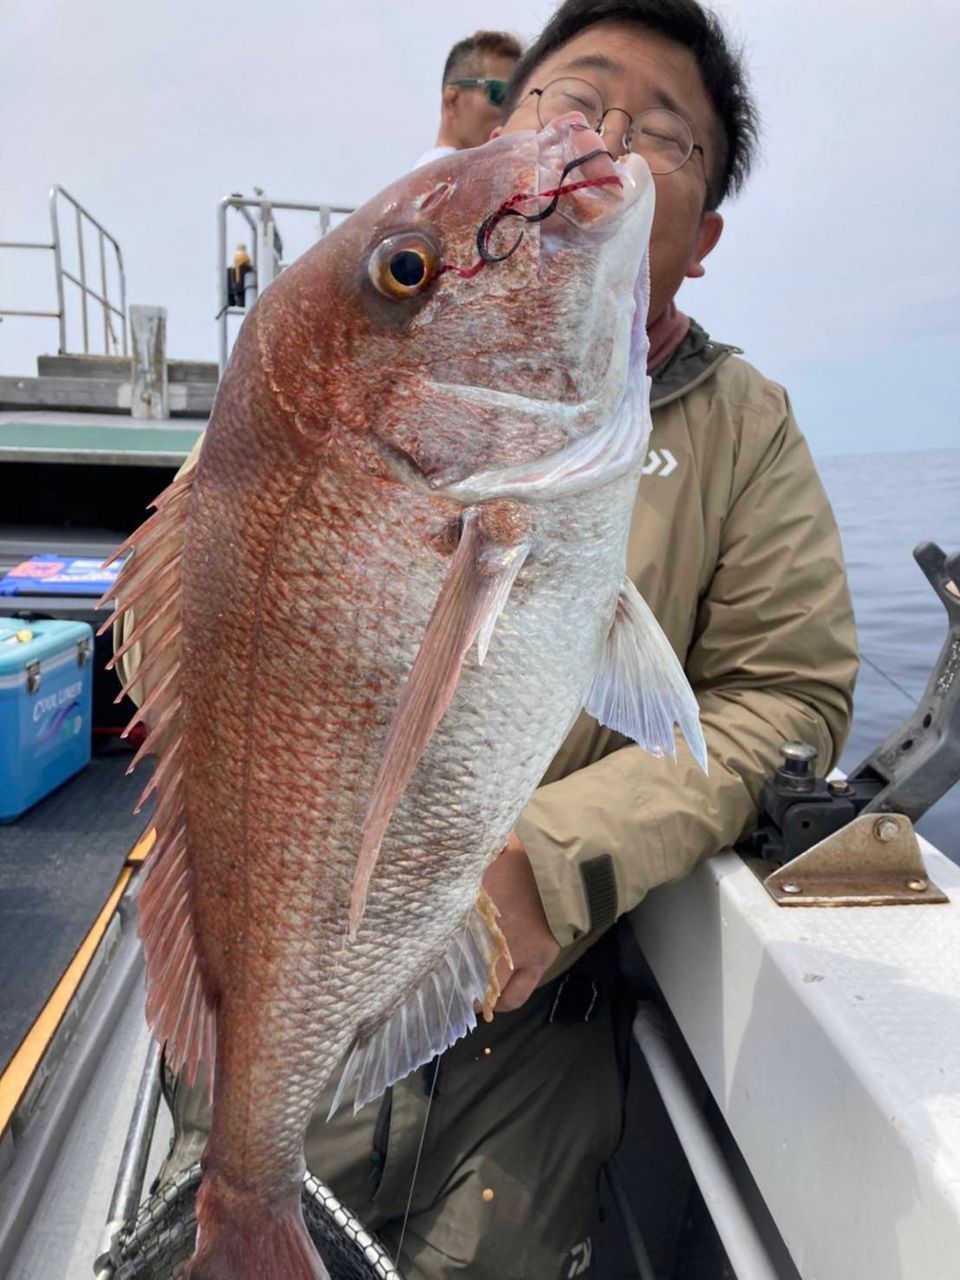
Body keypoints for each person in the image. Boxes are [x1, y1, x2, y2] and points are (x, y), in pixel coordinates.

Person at [155, 2, 859, 1276]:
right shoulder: (331, 374)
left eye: (667, 135)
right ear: (505, 118)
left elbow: (789, 693)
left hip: (543, 1022)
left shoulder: (748, 430)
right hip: (283, 978)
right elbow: (224, 634)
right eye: (575, 101)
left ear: (695, 238)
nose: (607, 136)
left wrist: (559, 855)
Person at [414, 29, 523, 169]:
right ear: (451, 100)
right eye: (501, 96)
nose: (511, 112)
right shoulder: (442, 179)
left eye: (518, 100)